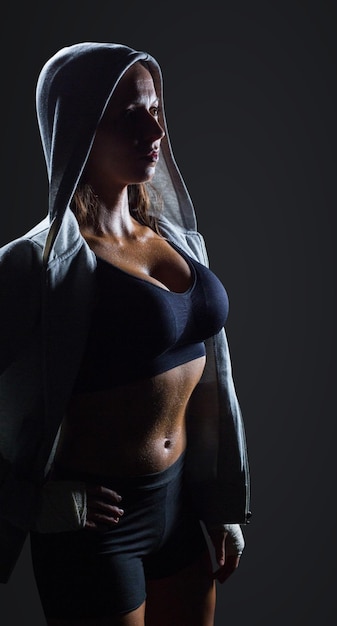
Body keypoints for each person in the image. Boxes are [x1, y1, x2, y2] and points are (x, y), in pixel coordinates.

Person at [0, 42, 251, 625]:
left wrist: (219, 502)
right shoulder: (32, 269)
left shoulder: (178, 239)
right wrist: (28, 503)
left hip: (183, 507)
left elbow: (214, 382)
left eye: (157, 109)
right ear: (79, 126)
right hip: (97, 526)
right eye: (129, 114)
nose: (154, 128)